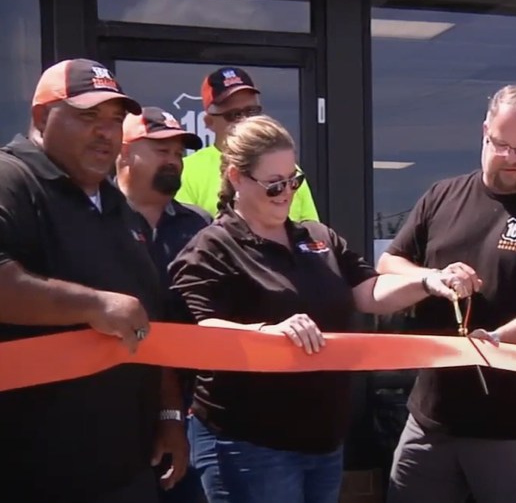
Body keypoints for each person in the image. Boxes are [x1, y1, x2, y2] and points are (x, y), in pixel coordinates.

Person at [168, 115, 462, 503]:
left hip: (322, 440)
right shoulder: (212, 248)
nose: (286, 192)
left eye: (294, 180)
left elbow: (369, 291)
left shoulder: (318, 237)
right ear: (236, 178)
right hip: (250, 442)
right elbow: (199, 332)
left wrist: (427, 281)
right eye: (274, 184)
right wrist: (268, 333)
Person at [378, 84, 516, 503]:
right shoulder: (443, 196)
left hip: (515, 427)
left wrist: (497, 343)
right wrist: (430, 278)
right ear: (484, 133)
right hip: (432, 418)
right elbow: (389, 265)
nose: (511, 156)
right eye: (501, 144)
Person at [0, 58, 186, 502]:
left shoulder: (116, 203)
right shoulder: (12, 179)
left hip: (127, 468)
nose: (106, 131)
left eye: (115, 120)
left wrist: (169, 414)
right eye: (88, 117)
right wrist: (92, 305)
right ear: (44, 117)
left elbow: (147, 320)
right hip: (32, 471)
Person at [116, 106, 212, 503]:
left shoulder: (201, 225)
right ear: (123, 153)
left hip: (194, 403)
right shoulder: (97, 218)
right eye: (161, 151)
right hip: (116, 399)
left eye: (178, 153)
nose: (174, 160)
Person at [175, 67, 319, 222]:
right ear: (209, 122)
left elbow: (312, 233)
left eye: (252, 112)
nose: (245, 120)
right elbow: (186, 235)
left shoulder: (288, 171)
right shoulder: (187, 171)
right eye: (234, 115)